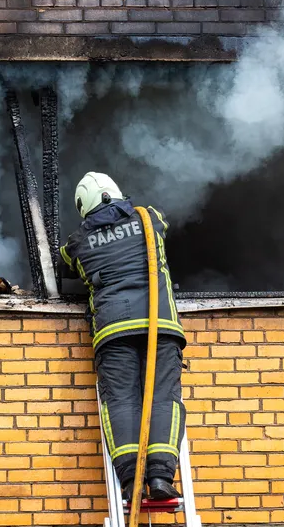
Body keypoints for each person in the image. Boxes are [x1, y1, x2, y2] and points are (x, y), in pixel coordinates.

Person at [59, 172, 187, 502]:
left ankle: (131, 482)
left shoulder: (77, 243)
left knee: (120, 400)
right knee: (163, 396)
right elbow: (164, 227)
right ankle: (161, 478)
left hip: (113, 330)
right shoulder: (149, 218)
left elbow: (65, 262)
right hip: (160, 324)